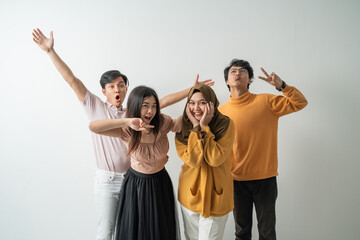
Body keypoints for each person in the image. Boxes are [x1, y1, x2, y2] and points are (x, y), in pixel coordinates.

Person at [32, 28, 213, 240]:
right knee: (107, 233)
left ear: (126, 90)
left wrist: (191, 91)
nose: (117, 89)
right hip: (108, 181)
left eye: (121, 85)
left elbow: (161, 102)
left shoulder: (137, 112)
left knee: (138, 231)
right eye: (111, 86)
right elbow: (73, 83)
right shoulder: (97, 107)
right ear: (104, 91)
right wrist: (50, 51)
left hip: (134, 178)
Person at [218, 59, 308, 240]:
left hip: (265, 179)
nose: (238, 74)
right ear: (227, 81)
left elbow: (300, 102)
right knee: (241, 233)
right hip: (235, 180)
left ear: (249, 80)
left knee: (267, 233)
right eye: (233, 71)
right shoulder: (220, 112)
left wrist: (282, 86)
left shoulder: (266, 101)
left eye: (243, 71)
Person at [89, 86, 184, 239]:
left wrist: (193, 92)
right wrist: (127, 121)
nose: (150, 111)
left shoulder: (163, 122)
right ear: (135, 106)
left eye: (154, 106)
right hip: (136, 186)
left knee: (160, 230)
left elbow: (178, 118)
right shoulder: (127, 130)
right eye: (145, 106)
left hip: (160, 183)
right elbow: (93, 127)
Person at [175, 84, 235, 240]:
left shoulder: (225, 124)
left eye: (202, 102)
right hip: (190, 196)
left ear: (212, 103)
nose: (196, 108)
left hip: (215, 197)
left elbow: (215, 159)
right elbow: (193, 161)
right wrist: (196, 127)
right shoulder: (183, 127)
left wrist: (205, 128)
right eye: (192, 103)